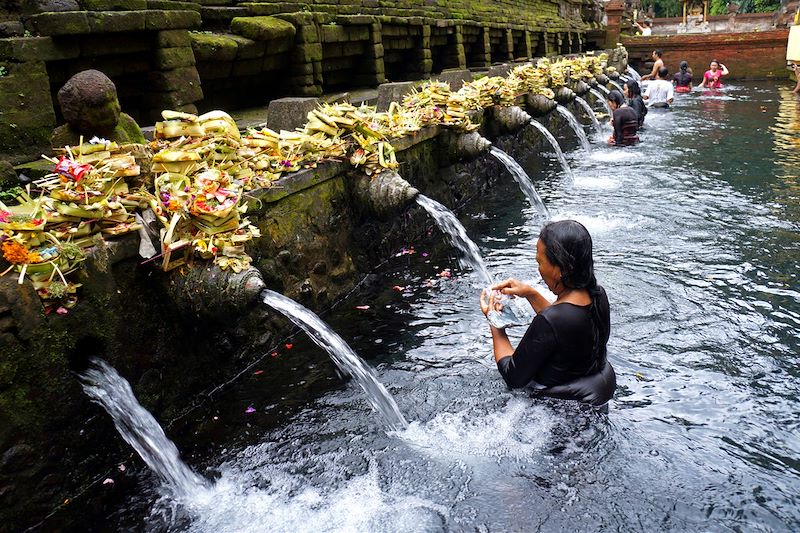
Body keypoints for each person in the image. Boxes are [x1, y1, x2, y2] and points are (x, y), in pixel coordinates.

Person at [479, 220, 616, 406]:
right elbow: (564, 328)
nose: (539, 268)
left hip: (556, 412)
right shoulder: (598, 296)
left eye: (540, 262)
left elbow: (514, 377)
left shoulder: (549, 320)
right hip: (591, 395)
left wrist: (495, 322)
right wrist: (530, 293)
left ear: (561, 269)